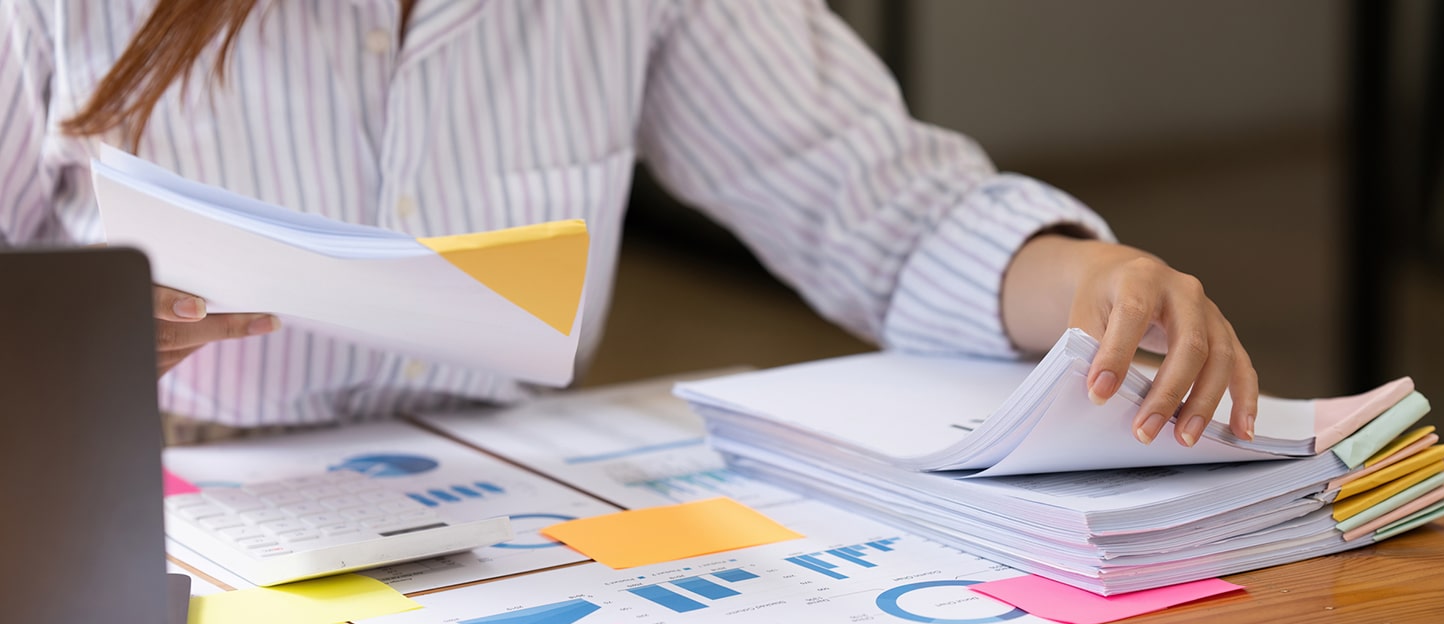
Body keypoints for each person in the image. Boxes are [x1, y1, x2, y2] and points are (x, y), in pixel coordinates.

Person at [0, 0, 1256, 448]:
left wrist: (1091, 278)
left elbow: (878, 202)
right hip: (160, 506)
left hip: (505, 501)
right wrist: (60, 347)